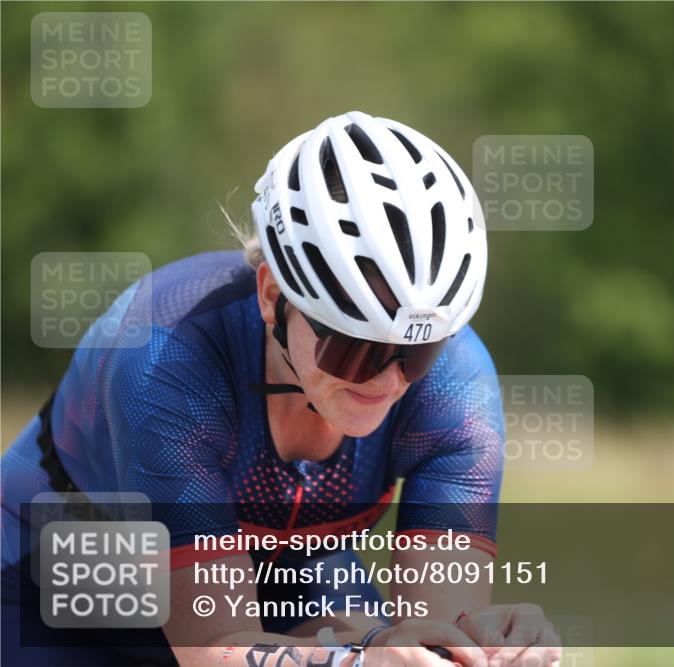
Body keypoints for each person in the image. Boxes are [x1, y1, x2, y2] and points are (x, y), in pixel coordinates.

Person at [1, 111, 560, 667]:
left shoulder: (456, 384)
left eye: (420, 350)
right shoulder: (165, 354)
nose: (390, 379)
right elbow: (217, 650)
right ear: (272, 295)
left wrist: (481, 646)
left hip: (291, 575)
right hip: (62, 571)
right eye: (355, 347)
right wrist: (358, 659)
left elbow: (437, 634)